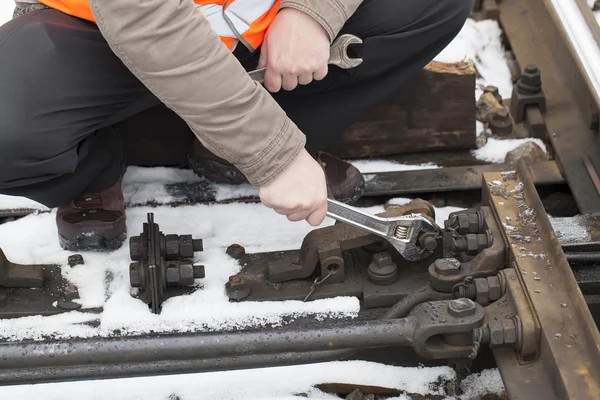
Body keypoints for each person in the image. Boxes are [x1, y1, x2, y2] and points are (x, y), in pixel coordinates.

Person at [0, 0, 473, 251]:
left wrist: (311, 13)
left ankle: (230, 145)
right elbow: (147, 21)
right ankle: (94, 168)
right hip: (98, 32)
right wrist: (274, 154)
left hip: (256, 22)